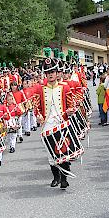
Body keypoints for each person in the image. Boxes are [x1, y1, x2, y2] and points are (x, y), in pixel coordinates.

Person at [33, 57, 75, 189]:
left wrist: (70, 110)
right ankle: (56, 177)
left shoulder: (65, 87)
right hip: (47, 125)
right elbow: (36, 107)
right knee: (51, 152)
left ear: (57, 73)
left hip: (61, 123)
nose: (50, 74)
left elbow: (71, 104)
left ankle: (64, 178)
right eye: (48, 72)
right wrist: (38, 116)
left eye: (53, 71)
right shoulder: (40, 89)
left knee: (63, 151)